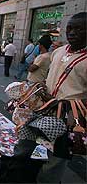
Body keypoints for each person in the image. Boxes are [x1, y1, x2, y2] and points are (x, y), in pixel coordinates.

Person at [36, 12, 87, 183]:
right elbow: (52, 75)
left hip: (69, 118)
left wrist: (69, 104)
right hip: (46, 109)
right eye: (70, 28)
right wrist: (44, 85)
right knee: (36, 146)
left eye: (79, 29)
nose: (72, 33)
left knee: (57, 158)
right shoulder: (58, 51)